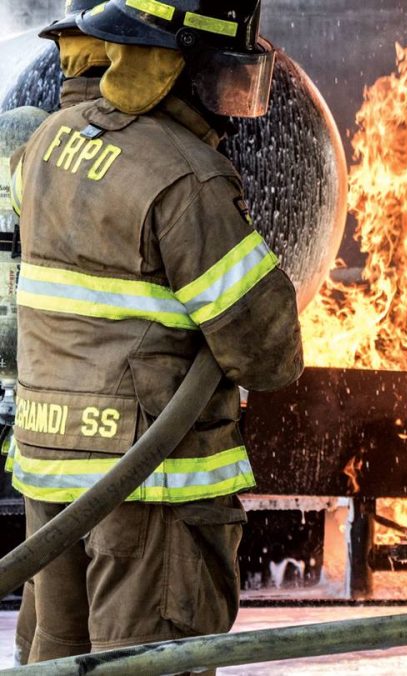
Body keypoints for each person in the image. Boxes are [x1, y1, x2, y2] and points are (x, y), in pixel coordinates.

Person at [6, 0, 302, 664]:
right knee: (148, 661)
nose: (224, 98)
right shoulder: (186, 177)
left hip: (49, 476)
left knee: (58, 659)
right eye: (213, 73)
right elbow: (269, 351)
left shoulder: (48, 144)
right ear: (172, 66)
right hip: (151, 493)